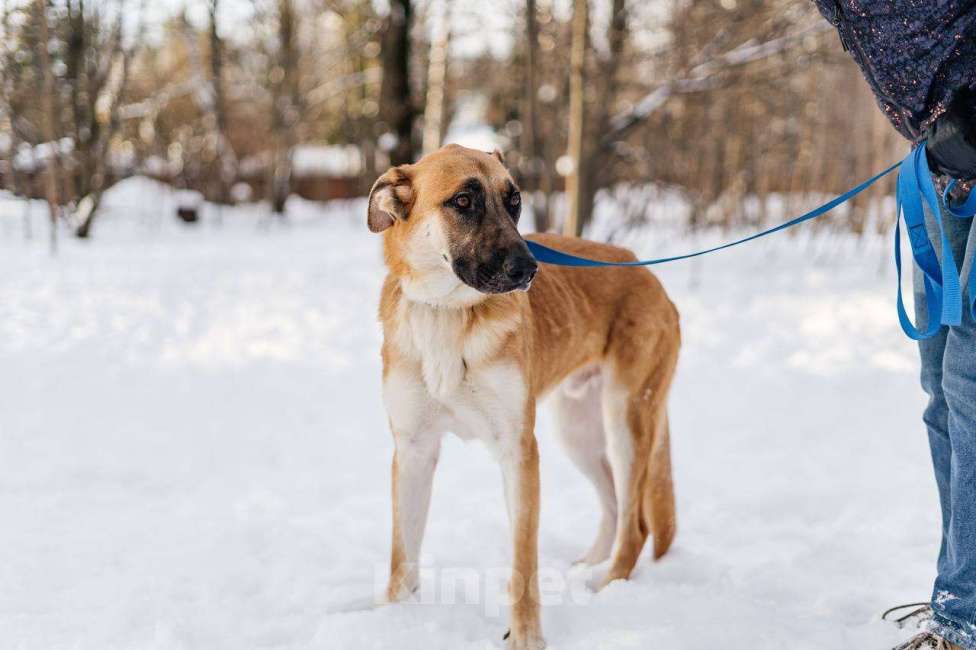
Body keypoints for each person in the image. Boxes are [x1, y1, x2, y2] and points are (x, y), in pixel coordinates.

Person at [812, 2, 976, 649]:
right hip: (945, 171)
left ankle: (964, 613)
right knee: (940, 388)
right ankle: (956, 587)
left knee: (969, 386)